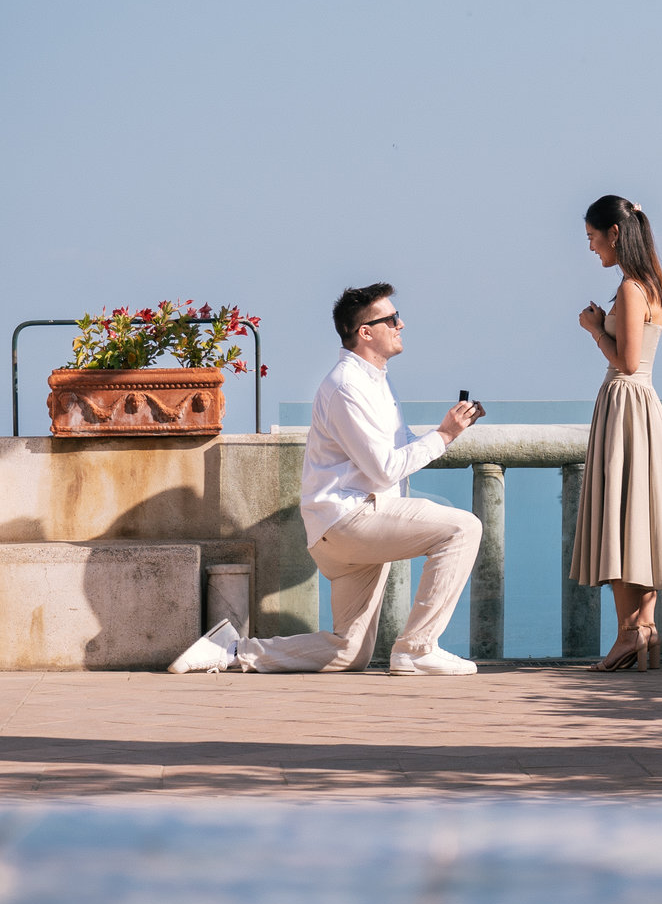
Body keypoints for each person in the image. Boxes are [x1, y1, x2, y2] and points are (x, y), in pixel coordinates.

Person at [169, 282, 485, 676]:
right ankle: (417, 649)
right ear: (365, 332)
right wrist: (445, 435)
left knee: (349, 651)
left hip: (350, 524)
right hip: (351, 519)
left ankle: (231, 649)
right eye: (391, 319)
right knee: (463, 528)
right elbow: (384, 469)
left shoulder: (377, 381)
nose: (401, 324)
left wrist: (447, 428)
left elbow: (397, 449)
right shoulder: (346, 387)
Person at [570, 195, 662, 671]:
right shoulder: (655, 284)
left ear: (615, 234)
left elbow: (625, 361)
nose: (590, 248)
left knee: (621, 521)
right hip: (643, 406)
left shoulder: (628, 288)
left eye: (591, 237)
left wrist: (591, 328)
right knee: (639, 520)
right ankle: (644, 628)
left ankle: (629, 634)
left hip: (624, 401)